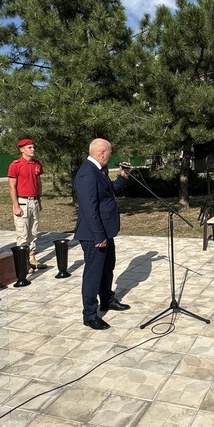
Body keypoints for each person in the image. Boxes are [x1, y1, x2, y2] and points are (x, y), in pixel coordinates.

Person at [74, 138, 131, 330]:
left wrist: (122, 177)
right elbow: (89, 208)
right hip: (94, 234)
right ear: (102, 153)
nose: (110, 155)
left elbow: (109, 192)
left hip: (106, 230)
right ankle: (90, 314)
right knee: (93, 274)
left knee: (107, 268)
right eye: (110, 152)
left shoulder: (99, 170)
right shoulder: (87, 174)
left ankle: (107, 299)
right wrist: (99, 236)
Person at [9, 138, 47, 270]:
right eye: (29, 147)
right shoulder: (16, 164)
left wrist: (39, 200)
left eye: (33, 147)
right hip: (22, 202)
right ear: (22, 150)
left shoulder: (36, 164)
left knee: (33, 231)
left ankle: (32, 258)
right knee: (23, 233)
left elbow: (38, 183)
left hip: (34, 201)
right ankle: (22, 262)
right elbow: (12, 187)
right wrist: (16, 205)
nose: (33, 149)